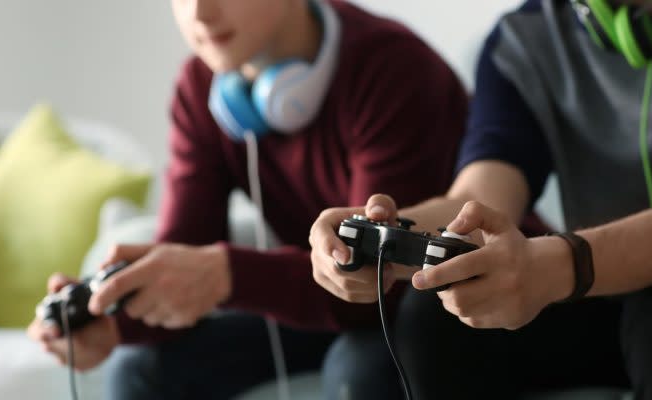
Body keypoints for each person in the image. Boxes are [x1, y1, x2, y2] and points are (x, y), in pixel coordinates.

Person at [27, 0, 469, 399]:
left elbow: (380, 281)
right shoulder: (201, 88)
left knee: (361, 371)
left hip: (425, 309)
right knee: (141, 369)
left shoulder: (391, 66)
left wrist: (226, 275)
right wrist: (111, 320)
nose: (199, 13)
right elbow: (184, 251)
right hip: (316, 298)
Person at [309, 0, 652, 398]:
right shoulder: (522, 37)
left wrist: (557, 266)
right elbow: (478, 199)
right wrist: (383, 237)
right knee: (433, 318)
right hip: (595, 298)